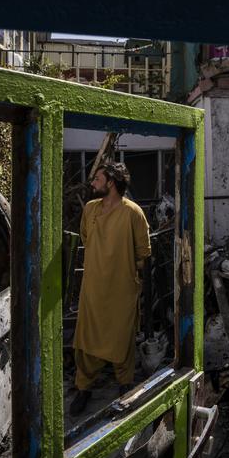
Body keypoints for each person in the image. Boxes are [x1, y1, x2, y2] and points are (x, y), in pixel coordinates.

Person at [69, 162, 151, 415]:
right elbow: (86, 238)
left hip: (122, 289)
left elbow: (143, 254)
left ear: (111, 183)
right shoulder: (90, 209)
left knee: (121, 340)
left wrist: (134, 282)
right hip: (93, 288)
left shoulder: (133, 213)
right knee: (86, 339)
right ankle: (83, 388)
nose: (92, 183)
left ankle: (124, 387)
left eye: (97, 179)